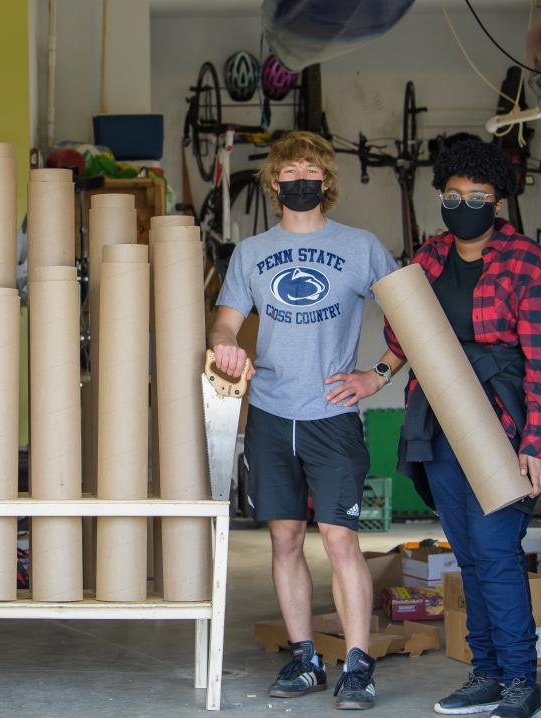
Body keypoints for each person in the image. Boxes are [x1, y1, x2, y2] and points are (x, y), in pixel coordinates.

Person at [334, 137, 541, 718]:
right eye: (454, 196)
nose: (465, 206)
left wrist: (536, 443)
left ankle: (519, 683)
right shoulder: (429, 257)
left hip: (501, 419)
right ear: (441, 197)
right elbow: (407, 334)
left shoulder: (528, 263)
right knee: (468, 553)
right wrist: (375, 376)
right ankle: (485, 675)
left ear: (499, 202)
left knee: (496, 550)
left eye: (478, 196)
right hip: (437, 418)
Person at [209, 131, 396, 710]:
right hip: (268, 412)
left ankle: (358, 665)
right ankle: (303, 657)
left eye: (309, 172)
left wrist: (378, 375)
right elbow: (223, 323)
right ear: (274, 184)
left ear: (327, 181)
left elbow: (412, 318)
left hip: (332, 415)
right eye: (288, 174)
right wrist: (226, 347)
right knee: (285, 539)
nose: (299, 182)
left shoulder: (362, 247)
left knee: (341, 541)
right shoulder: (251, 253)